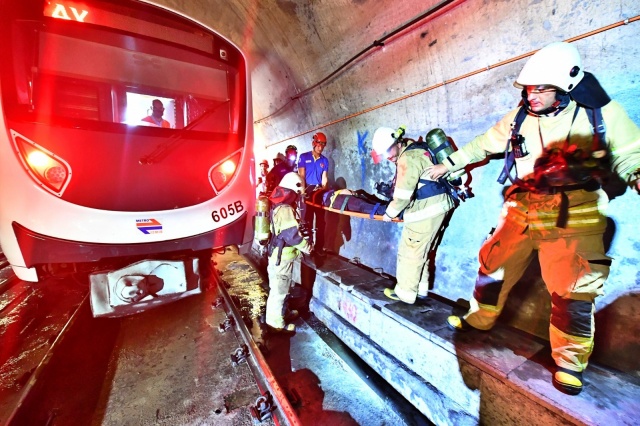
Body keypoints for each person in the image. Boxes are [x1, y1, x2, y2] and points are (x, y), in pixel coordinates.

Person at [428, 42, 640, 395]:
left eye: (541, 88)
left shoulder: (600, 114)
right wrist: (450, 164)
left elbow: (630, 152)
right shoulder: (521, 117)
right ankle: (481, 319)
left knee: (574, 290)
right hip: (523, 205)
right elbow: (483, 144)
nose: (532, 94)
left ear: (566, 86)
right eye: (529, 88)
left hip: (575, 210)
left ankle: (570, 362)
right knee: (492, 265)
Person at [371, 127, 456, 304]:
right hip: (440, 206)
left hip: (426, 210)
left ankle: (405, 293)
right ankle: (421, 289)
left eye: (388, 150)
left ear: (397, 143)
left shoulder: (407, 158)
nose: (387, 156)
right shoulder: (418, 149)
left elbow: (402, 196)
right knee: (423, 250)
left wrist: (389, 213)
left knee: (409, 252)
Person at [265, 172, 312, 332]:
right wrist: (307, 247)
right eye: (297, 194)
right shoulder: (285, 209)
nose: (298, 198)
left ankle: (283, 313)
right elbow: (291, 235)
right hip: (281, 258)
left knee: (283, 288)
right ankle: (275, 324)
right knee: (279, 291)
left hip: (280, 257)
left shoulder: (279, 205)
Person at [298, 132, 329, 255]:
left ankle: (319, 247)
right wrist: (302, 193)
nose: (320, 147)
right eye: (319, 144)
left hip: (318, 193)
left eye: (323, 145)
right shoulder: (304, 157)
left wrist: (324, 189)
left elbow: (324, 178)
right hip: (307, 193)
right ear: (314, 143)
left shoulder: (324, 161)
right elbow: (301, 176)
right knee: (307, 221)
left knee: (321, 221)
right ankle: (308, 246)